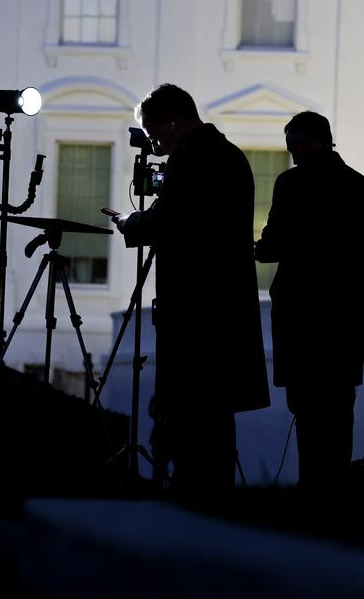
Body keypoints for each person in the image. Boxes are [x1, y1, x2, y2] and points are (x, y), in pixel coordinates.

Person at [106, 84, 270, 503]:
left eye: (156, 135)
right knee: (216, 415)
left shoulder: (192, 159)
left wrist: (130, 223)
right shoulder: (230, 156)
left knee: (191, 411)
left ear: (175, 123)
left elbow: (171, 220)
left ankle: (190, 495)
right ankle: (210, 492)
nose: (156, 147)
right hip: (225, 306)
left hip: (196, 310)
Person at [254, 111, 364, 487]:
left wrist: (264, 248)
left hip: (301, 316)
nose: (291, 154)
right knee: (339, 413)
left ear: (305, 143)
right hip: (343, 319)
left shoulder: (292, 184)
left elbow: (273, 244)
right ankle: (334, 493)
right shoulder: (360, 186)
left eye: (293, 146)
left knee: (307, 413)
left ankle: (312, 493)